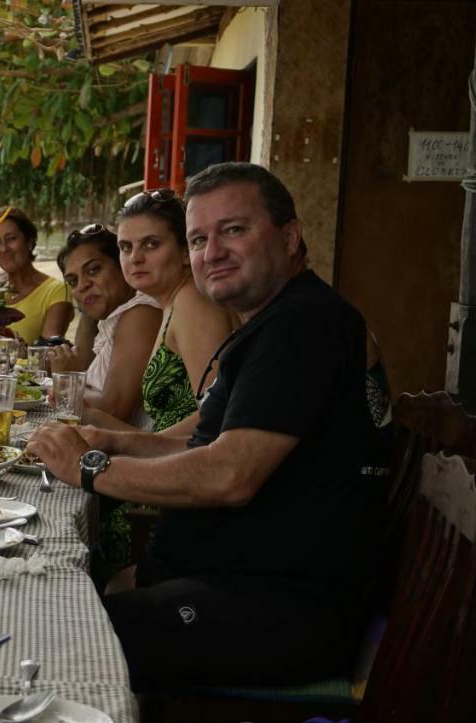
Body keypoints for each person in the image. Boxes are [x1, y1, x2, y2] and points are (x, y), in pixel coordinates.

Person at [27, 162, 382, 690]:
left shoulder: (306, 326)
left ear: (291, 236)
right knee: (58, 588)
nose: (211, 251)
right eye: (199, 237)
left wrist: (91, 467)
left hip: (278, 608)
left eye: (233, 230)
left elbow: (228, 475)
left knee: (52, 636)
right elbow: (202, 439)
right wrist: (114, 440)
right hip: (225, 580)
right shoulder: (272, 323)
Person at [90, 189, 235, 433]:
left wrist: (131, 441)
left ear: (185, 252)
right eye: (125, 247)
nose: (135, 258)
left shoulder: (193, 302)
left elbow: (217, 415)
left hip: (188, 462)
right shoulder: (172, 302)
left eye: (151, 244)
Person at [52, 223, 161, 425]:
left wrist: (67, 380)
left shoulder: (140, 313)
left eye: (93, 270)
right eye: (73, 281)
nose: (82, 285)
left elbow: (113, 410)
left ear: (122, 266)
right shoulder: (112, 320)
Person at [0, 206, 74, 345]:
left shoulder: (56, 291)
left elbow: (47, 352)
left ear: (29, 242)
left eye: (11, 239)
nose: (4, 249)